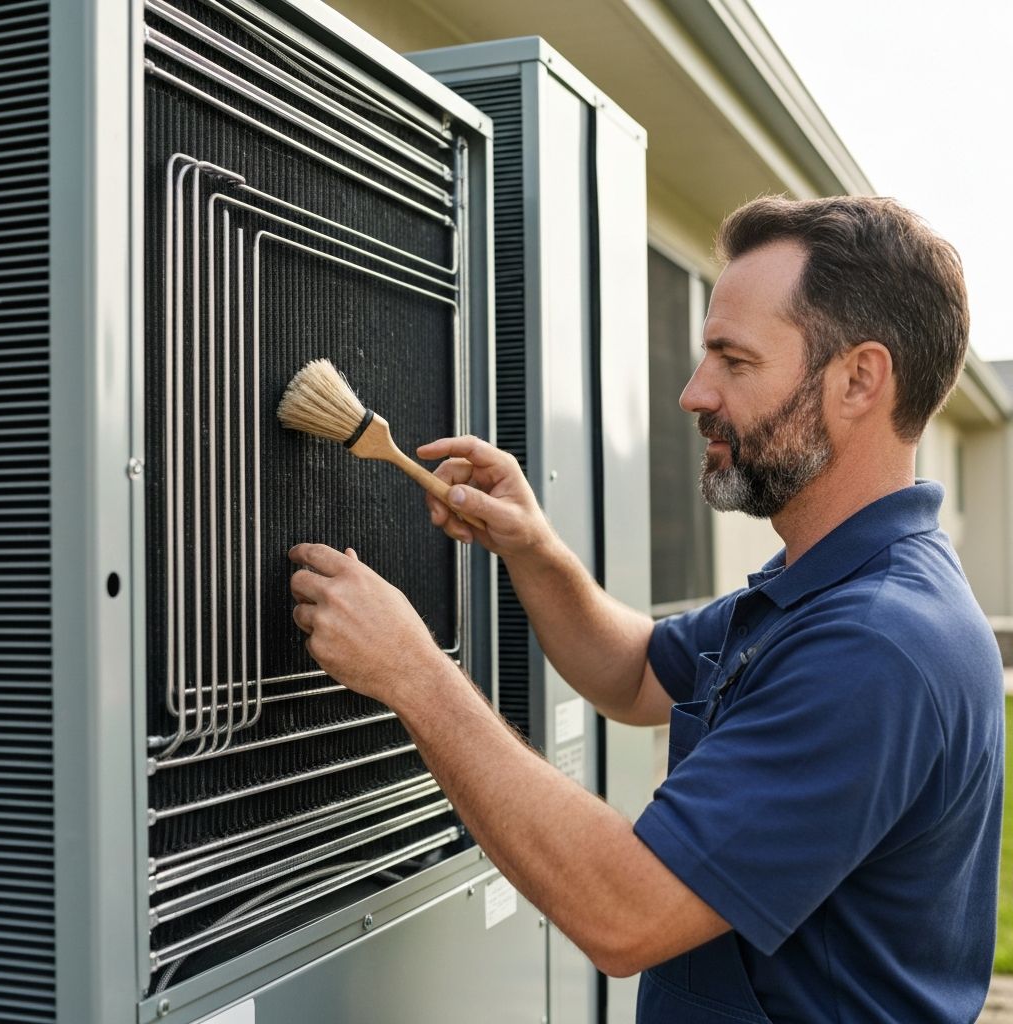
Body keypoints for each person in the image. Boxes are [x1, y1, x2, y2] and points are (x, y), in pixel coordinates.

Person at [288, 196, 1005, 1023]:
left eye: (733, 360)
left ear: (859, 379)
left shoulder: (875, 644)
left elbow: (625, 914)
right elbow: (634, 675)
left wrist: (414, 674)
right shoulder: (823, 585)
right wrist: (535, 549)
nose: (694, 393)